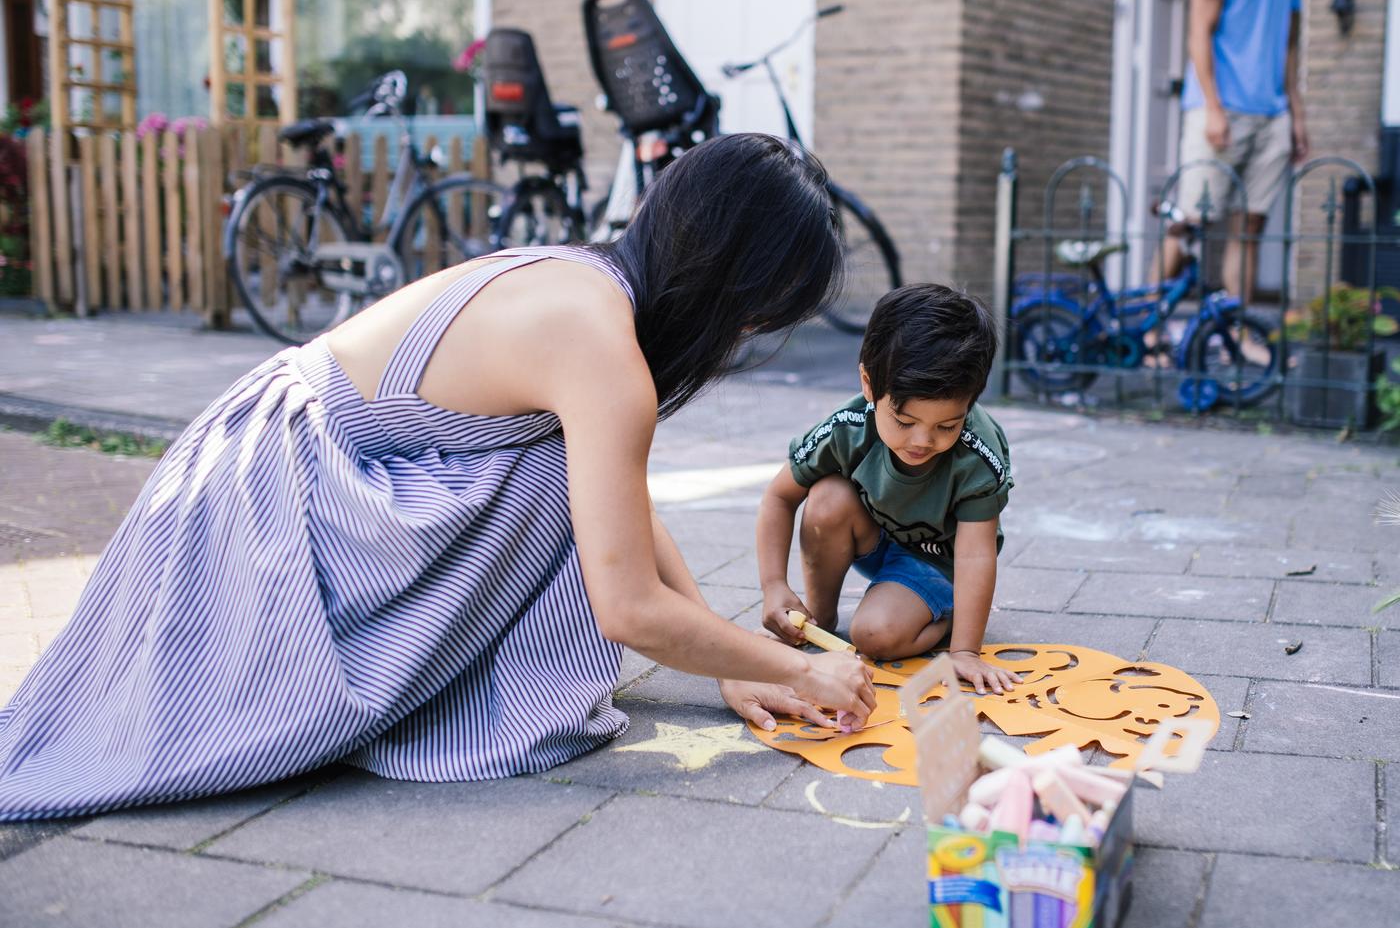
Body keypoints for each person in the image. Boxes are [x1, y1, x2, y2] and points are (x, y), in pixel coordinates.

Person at [0, 132, 875, 821]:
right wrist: (796, 671)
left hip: (260, 457)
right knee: (541, 483)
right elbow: (627, 604)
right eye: (759, 315)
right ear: (731, 285)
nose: (745, 339)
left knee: (554, 477)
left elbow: (618, 504)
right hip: (259, 504)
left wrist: (727, 660)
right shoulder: (602, 347)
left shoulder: (584, 283)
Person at [756, 284, 1021, 694]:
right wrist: (774, 585)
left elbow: (974, 553)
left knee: (875, 636)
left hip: (938, 564)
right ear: (868, 383)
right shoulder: (848, 427)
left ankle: (947, 617)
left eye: (946, 426)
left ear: (968, 405)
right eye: (904, 420)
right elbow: (779, 496)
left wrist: (966, 650)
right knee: (826, 496)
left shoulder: (976, 453)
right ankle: (820, 620)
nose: (922, 440)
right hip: (877, 537)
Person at [1163, 0, 1331, 304]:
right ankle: (1152, 336)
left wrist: (1298, 116)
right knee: (1188, 224)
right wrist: (1214, 109)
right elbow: (1198, 33)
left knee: (1249, 228)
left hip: (1271, 114)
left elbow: (1288, 48)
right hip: (1220, 111)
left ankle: (1237, 333)